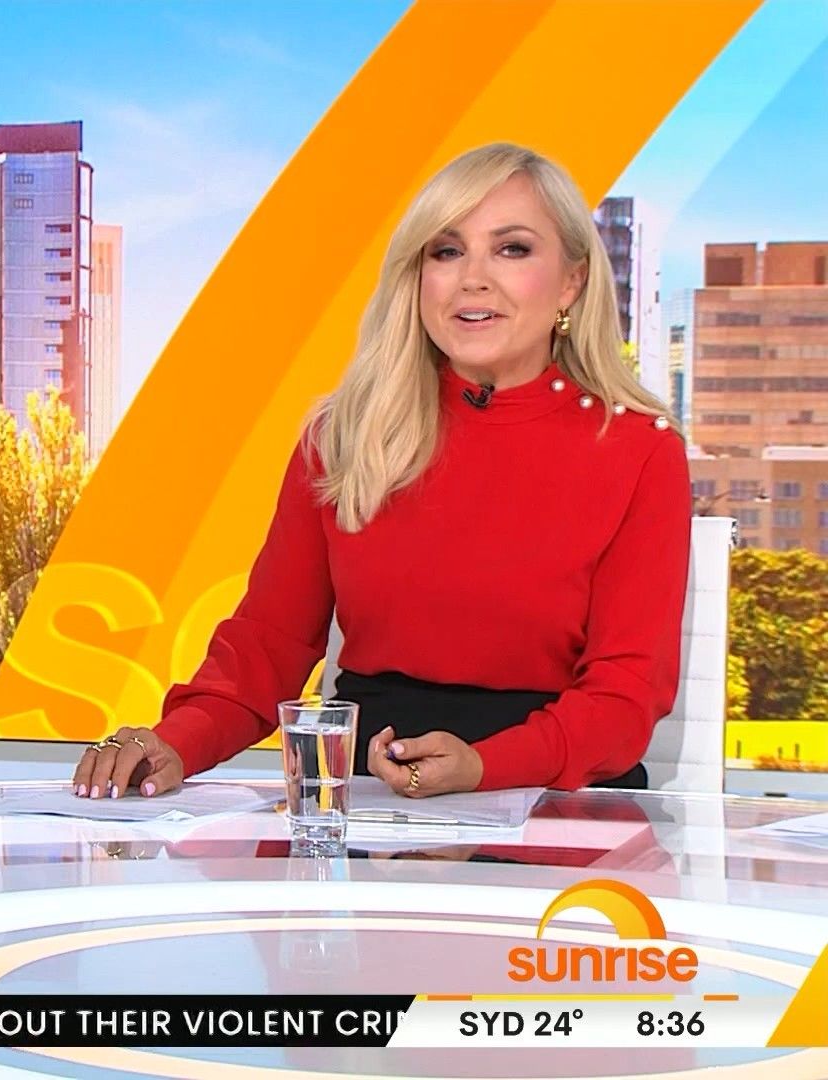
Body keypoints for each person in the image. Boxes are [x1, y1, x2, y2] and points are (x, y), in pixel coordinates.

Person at [74, 142, 690, 801]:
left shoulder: (640, 449)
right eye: (446, 251)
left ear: (571, 281)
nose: (472, 279)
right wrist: (175, 741)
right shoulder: (344, 435)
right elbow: (268, 644)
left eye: (512, 249)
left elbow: (625, 696)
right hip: (369, 797)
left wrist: (483, 767)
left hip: (560, 800)